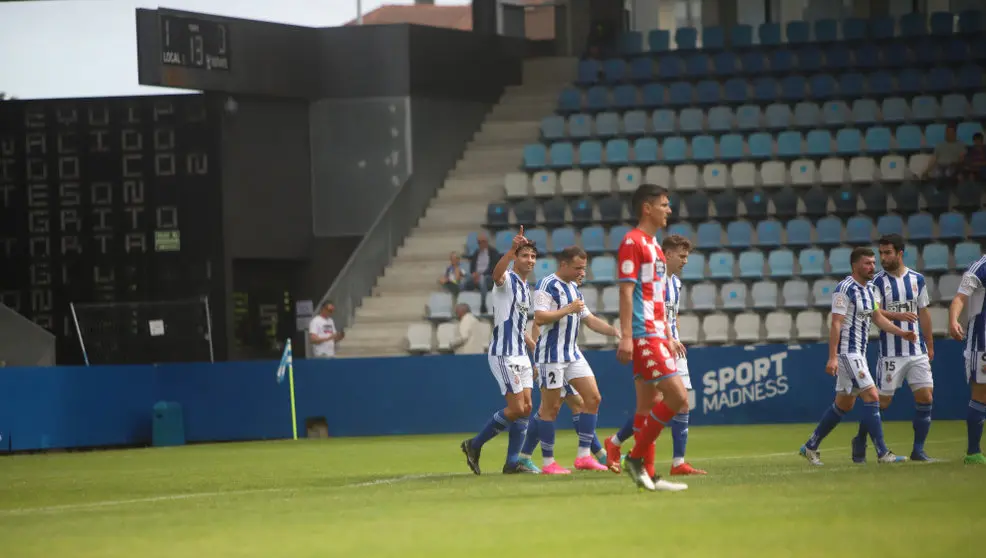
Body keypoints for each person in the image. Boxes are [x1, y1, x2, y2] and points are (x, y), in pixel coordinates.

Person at [799, 247, 916, 466]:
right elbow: (836, 323)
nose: (873, 266)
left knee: (844, 405)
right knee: (872, 396)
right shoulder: (845, 288)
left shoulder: (871, 289)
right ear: (855, 266)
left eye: (873, 263)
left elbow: (877, 318)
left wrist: (902, 332)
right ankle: (883, 453)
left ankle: (810, 446)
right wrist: (832, 357)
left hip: (859, 352)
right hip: (847, 352)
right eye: (867, 263)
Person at [604, 234, 706, 476]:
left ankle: (677, 462)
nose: (685, 261)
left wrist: (674, 336)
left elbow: (672, 315)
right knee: (655, 403)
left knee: (680, 404)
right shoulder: (655, 278)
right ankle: (631, 453)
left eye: (687, 256)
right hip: (655, 341)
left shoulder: (676, 283)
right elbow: (648, 309)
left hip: (671, 344)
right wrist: (666, 338)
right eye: (681, 256)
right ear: (667, 254)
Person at [515, 246, 620, 474]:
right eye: (578, 268)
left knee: (593, 398)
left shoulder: (574, 289)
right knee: (550, 409)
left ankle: (583, 456)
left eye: (583, 267)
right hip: (551, 356)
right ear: (563, 265)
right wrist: (567, 309)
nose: (582, 272)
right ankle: (547, 462)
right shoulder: (547, 285)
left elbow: (589, 319)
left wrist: (615, 332)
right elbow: (540, 318)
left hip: (572, 353)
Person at [616, 183, 689, 492]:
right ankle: (634, 458)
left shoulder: (656, 245)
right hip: (645, 335)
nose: (668, 210)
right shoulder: (632, 242)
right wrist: (627, 337)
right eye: (664, 204)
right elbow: (626, 290)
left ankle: (648, 476)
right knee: (678, 397)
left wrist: (669, 334)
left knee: (647, 407)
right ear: (647, 208)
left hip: (659, 333)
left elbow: (656, 295)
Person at [461, 227, 539, 475]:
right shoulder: (506, 280)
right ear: (516, 258)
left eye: (532, 257)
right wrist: (511, 250)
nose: (529, 260)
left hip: (520, 353)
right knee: (516, 408)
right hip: (503, 353)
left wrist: (528, 339)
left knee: (526, 408)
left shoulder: (526, 289)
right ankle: (474, 444)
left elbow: (514, 319)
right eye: (524, 255)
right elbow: (495, 274)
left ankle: (512, 461)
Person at [853, 234, 935, 463]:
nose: (883, 258)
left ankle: (918, 450)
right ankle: (860, 438)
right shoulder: (877, 282)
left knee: (926, 397)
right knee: (882, 402)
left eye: (887, 253)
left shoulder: (917, 280)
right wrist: (898, 315)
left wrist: (929, 344)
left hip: (916, 350)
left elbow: (924, 313)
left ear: (900, 253)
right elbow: (875, 311)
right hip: (891, 353)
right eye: (881, 253)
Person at [947, 253, 986, 465]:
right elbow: (960, 298)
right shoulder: (979, 267)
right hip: (982, 343)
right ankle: (973, 452)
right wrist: (953, 320)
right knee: (981, 394)